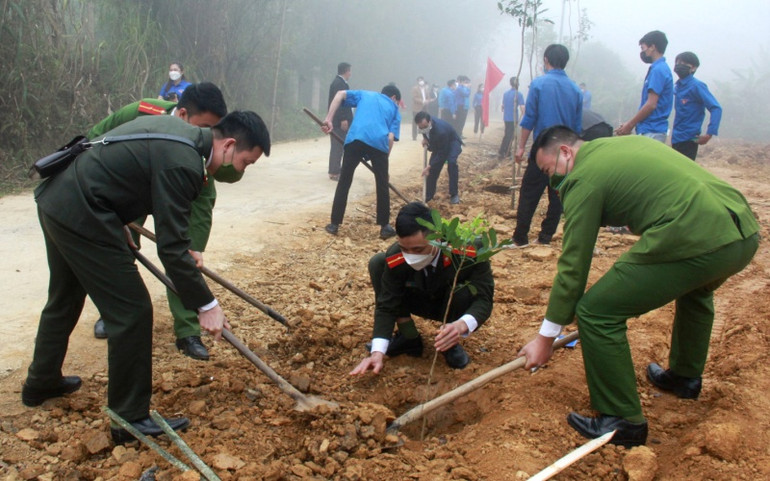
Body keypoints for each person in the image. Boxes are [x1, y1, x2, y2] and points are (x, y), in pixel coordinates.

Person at [21, 111, 271, 444]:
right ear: (228, 145)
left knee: (65, 296)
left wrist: (121, 220)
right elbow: (171, 250)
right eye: (245, 162)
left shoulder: (178, 133)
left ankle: (41, 382)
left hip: (60, 197)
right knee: (132, 311)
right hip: (84, 210)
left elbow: (122, 172)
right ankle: (129, 419)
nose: (240, 171)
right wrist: (206, 304)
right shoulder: (184, 162)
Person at [518, 125, 759, 447]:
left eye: (550, 170)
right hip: (741, 234)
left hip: (696, 236)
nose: (553, 182)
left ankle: (622, 420)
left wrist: (546, 338)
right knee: (697, 290)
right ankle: (685, 378)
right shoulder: (620, 146)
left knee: (596, 311)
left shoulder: (581, 177)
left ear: (565, 152)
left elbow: (574, 265)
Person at [89, 83, 228, 362]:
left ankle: (188, 330)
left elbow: (203, 201)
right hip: (128, 193)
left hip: (174, 192)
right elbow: (94, 140)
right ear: (183, 115)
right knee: (119, 250)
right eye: (203, 126)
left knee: (180, 256)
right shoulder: (142, 112)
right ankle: (111, 311)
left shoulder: (200, 149)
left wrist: (194, 247)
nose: (207, 136)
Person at [350, 202, 494, 374]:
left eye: (418, 249)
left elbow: (484, 299)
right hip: (420, 297)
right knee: (378, 263)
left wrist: (460, 325)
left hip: (452, 306)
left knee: (462, 291)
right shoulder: (396, 256)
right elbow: (387, 304)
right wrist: (377, 352)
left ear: (437, 237)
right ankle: (408, 337)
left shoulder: (468, 251)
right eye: (405, 249)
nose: (411, 255)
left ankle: (448, 341)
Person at [512, 44, 582, 247]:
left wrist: (521, 147)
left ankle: (520, 238)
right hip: (565, 152)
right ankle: (545, 238)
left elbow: (530, 118)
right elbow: (577, 128)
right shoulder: (576, 90)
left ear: (546, 60)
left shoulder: (539, 84)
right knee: (557, 197)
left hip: (543, 149)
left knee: (529, 192)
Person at [322, 85, 401, 239]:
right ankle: (385, 227)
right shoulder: (394, 108)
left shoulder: (366, 94)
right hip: (378, 143)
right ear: (394, 98)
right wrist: (383, 165)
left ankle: (334, 224)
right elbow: (390, 138)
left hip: (355, 139)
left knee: (344, 180)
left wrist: (329, 119)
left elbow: (339, 94)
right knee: (382, 184)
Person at [616, 31, 673, 142]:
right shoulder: (658, 69)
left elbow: (651, 104)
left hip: (652, 130)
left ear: (652, 47)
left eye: (643, 48)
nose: (642, 52)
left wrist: (630, 124)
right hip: (649, 128)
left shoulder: (658, 70)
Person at [672, 52, 722, 160]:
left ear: (693, 68)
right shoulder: (677, 87)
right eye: (678, 62)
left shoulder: (697, 86)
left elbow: (716, 108)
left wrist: (709, 134)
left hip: (689, 140)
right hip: (676, 138)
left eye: (684, 63)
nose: (679, 65)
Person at [415, 112, 463, 205]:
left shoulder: (441, 131)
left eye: (425, 127)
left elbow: (442, 153)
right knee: (432, 170)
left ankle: (454, 194)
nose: (423, 129)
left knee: (451, 163)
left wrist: (430, 166)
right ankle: (428, 196)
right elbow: (429, 137)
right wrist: (426, 139)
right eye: (421, 127)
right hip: (440, 145)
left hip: (452, 143)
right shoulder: (424, 125)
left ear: (430, 122)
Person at [327, 62, 354, 181]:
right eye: (349, 71)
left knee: (339, 145)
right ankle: (334, 172)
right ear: (345, 71)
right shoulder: (339, 84)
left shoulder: (340, 83)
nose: (350, 74)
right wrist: (343, 119)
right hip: (339, 121)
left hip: (338, 120)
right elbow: (340, 103)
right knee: (337, 146)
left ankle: (337, 170)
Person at [498, 76, 526, 159]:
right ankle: (506, 151)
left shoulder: (506, 93)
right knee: (511, 136)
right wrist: (525, 115)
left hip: (506, 117)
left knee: (507, 134)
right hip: (513, 118)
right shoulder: (519, 94)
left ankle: (502, 150)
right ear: (517, 84)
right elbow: (522, 107)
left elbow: (502, 106)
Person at [411, 76, 433, 141]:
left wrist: (427, 101)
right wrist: (422, 101)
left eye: (422, 80)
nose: (421, 82)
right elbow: (414, 98)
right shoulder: (414, 89)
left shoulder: (426, 89)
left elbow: (428, 97)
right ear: (417, 81)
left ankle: (425, 136)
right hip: (417, 107)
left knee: (425, 121)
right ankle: (414, 136)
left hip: (424, 107)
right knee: (415, 122)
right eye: (420, 80)